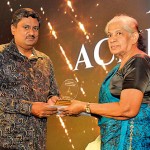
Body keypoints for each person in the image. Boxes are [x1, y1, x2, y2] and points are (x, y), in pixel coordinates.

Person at [60, 14, 150, 150]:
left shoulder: (138, 62)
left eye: (119, 33)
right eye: (109, 35)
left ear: (134, 37)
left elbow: (128, 109)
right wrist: (77, 108)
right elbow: (113, 108)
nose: (112, 40)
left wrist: (84, 106)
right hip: (112, 140)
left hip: (131, 142)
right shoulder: (118, 68)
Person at [0, 8, 59, 150]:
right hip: (6, 143)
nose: (31, 33)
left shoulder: (45, 60)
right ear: (13, 29)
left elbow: (53, 92)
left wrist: (53, 99)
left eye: (35, 28)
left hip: (37, 143)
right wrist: (30, 108)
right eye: (26, 27)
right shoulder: (1, 55)